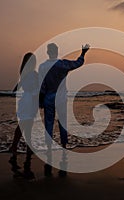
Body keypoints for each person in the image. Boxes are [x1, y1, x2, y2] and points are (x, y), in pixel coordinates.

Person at [38, 43, 90, 177]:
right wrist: (83, 53)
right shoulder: (63, 64)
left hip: (48, 97)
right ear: (57, 51)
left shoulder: (42, 67)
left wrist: (40, 100)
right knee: (63, 122)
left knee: (49, 123)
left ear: (48, 52)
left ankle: (49, 148)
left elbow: (41, 86)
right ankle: (64, 146)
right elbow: (77, 63)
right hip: (61, 97)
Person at [9, 52, 38, 179]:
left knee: (22, 125)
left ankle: (15, 146)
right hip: (30, 100)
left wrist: (16, 91)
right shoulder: (33, 74)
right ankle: (25, 147)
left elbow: (17, 87)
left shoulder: (24, 73)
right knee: (28, 126)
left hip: (24, 100)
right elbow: (37, 88)